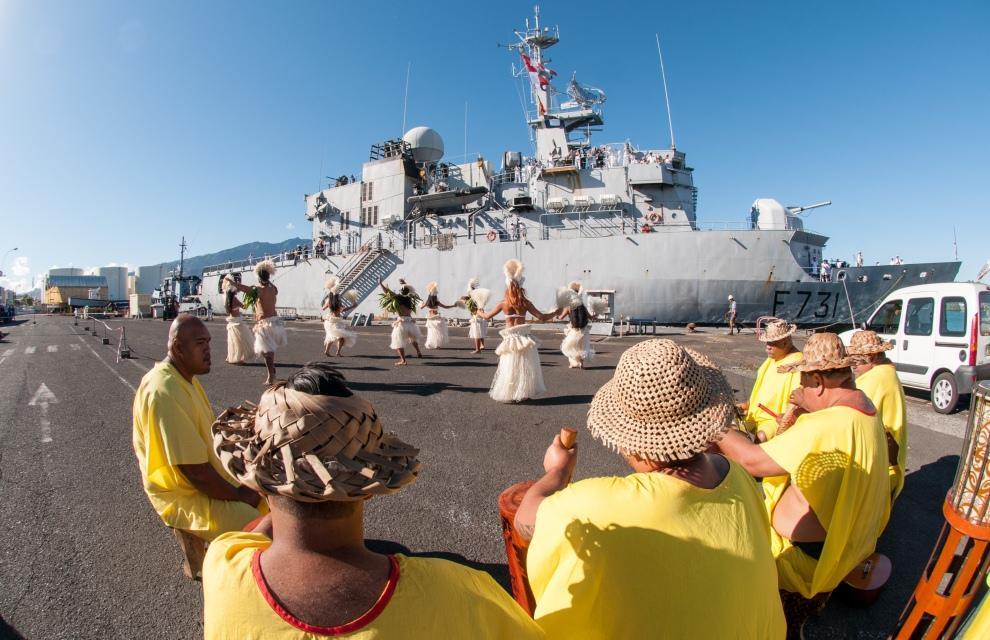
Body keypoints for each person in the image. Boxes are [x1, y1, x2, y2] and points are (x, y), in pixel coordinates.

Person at [204, 363, 543, 639]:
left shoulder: (222, 563)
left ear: (261, 482)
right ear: (369, 478)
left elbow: (254, 532)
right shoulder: (458, 590)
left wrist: (280, 490)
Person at [515, 340, 786, 639]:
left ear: (635, 445)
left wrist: (558, 470)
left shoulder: (598, 505)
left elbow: (525, 520)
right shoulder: (737, 475)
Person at [715, 333, 889, 634]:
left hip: (804, 555)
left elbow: (752, 461)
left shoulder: (828, 424)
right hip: (838, 542)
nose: (799, 389)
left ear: (819, 382)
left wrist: (714, 427)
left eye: (803, 382)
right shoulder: (865, 409)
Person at [132, 314, 267, 543]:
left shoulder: (184, 378)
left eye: (209, 343)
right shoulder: (164, 391)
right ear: (178, 347)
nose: (208, 350)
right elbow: (194, 472)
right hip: (183, 495)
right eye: (200, 344)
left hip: (206, 482)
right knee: (264, 531)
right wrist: (239, 495)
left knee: (281, 506)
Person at [479, 259, 555, 402]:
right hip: (523, 338)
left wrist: (478, 311)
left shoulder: (503, 304)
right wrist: (556, 312)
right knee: (524, 367)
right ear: (521, 286)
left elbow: (486, 316)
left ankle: (511, 395)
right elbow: (543, 317)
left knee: (509, 367)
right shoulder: (526, 303)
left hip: (509, 338)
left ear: (507, 286)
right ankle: (523, 394)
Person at [848, 330, 907, 503]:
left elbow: (850, 415)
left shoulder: (876, 379)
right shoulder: (886, 372)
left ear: (871, 357)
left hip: (882, 466)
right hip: (890, 463)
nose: (852, 365)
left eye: (857, 359)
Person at [736, 317, 803, 442]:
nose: (768, 347)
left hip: (775, 419)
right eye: (767, 343)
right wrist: (747, 404)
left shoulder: (798, 364)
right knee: (729, 431)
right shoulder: (772, 359)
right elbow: (760, 389)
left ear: (785, 342)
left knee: (761, 437)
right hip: (755, 413)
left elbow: (797, 401)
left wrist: (787, 420)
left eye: (772, 343)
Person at [227, 260, 286, 385]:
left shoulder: (259, 290)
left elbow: (246, 289)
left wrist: (234, 283)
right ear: (268, 277)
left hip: (265, 324)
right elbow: (268, 286)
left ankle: (271, 376)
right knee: (270, 351)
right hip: (275, 323)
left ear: (259, 278)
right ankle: (272, 373)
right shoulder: (273, 289)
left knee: (266, 352)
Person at [555, 281, 602, 369]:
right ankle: (581, 363)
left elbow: (561, 317)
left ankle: (572, 363)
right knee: (581, 347)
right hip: (583, 330)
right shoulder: (582, 306)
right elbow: (591, 317)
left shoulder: (568, 306)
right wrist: (596, 314)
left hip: (574, 330)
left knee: (571, 347)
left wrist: (556, 315)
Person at [378, 277, 422, 366]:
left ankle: (403, 360)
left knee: (398, 342)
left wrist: (380, 283)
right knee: (412, 338)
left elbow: (387, 292)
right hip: (410, 323)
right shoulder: (410, 298)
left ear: (401, 292)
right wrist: (404, 283)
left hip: (401, 323)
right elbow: (408, 290)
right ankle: (418, 351)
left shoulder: (398, 298)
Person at [321, 277, 358, 357]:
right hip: (335, 321)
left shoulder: (329, 301)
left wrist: (326, 304)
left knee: (332, 336)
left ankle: (328, 351)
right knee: (340, 337)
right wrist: (353, 306)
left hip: (330, 321)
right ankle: (337, 352)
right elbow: (342, 310)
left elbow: (323, 308)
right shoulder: (338, 301)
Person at [222, 278, 254, 365]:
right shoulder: (235, 299)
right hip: (237, 321)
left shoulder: (227, 300)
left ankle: (230, 357)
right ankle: (238, 359)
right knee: (240, 341)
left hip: (232, 321)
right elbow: (244, 306)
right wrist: (250, 299)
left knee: (232, 341)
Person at [420, 282, 453, 349]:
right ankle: (437, 345)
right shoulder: (437, 302)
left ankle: (431, 344)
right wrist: (454, 305)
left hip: (430, 319)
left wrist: (422, 304)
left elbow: (421, 307)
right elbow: (446, 307)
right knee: (437, 332)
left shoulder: (427, 302)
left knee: (431, 332)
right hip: (437, 318)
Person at [462, 277, 490, 354]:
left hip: (476, 316)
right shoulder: (478, 297)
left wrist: (465, 301)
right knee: (480, 331)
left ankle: (477, 349)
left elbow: (472, 307)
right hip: (481, 315)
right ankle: (482, 345)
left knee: (476, 333)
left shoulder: (472, 300)